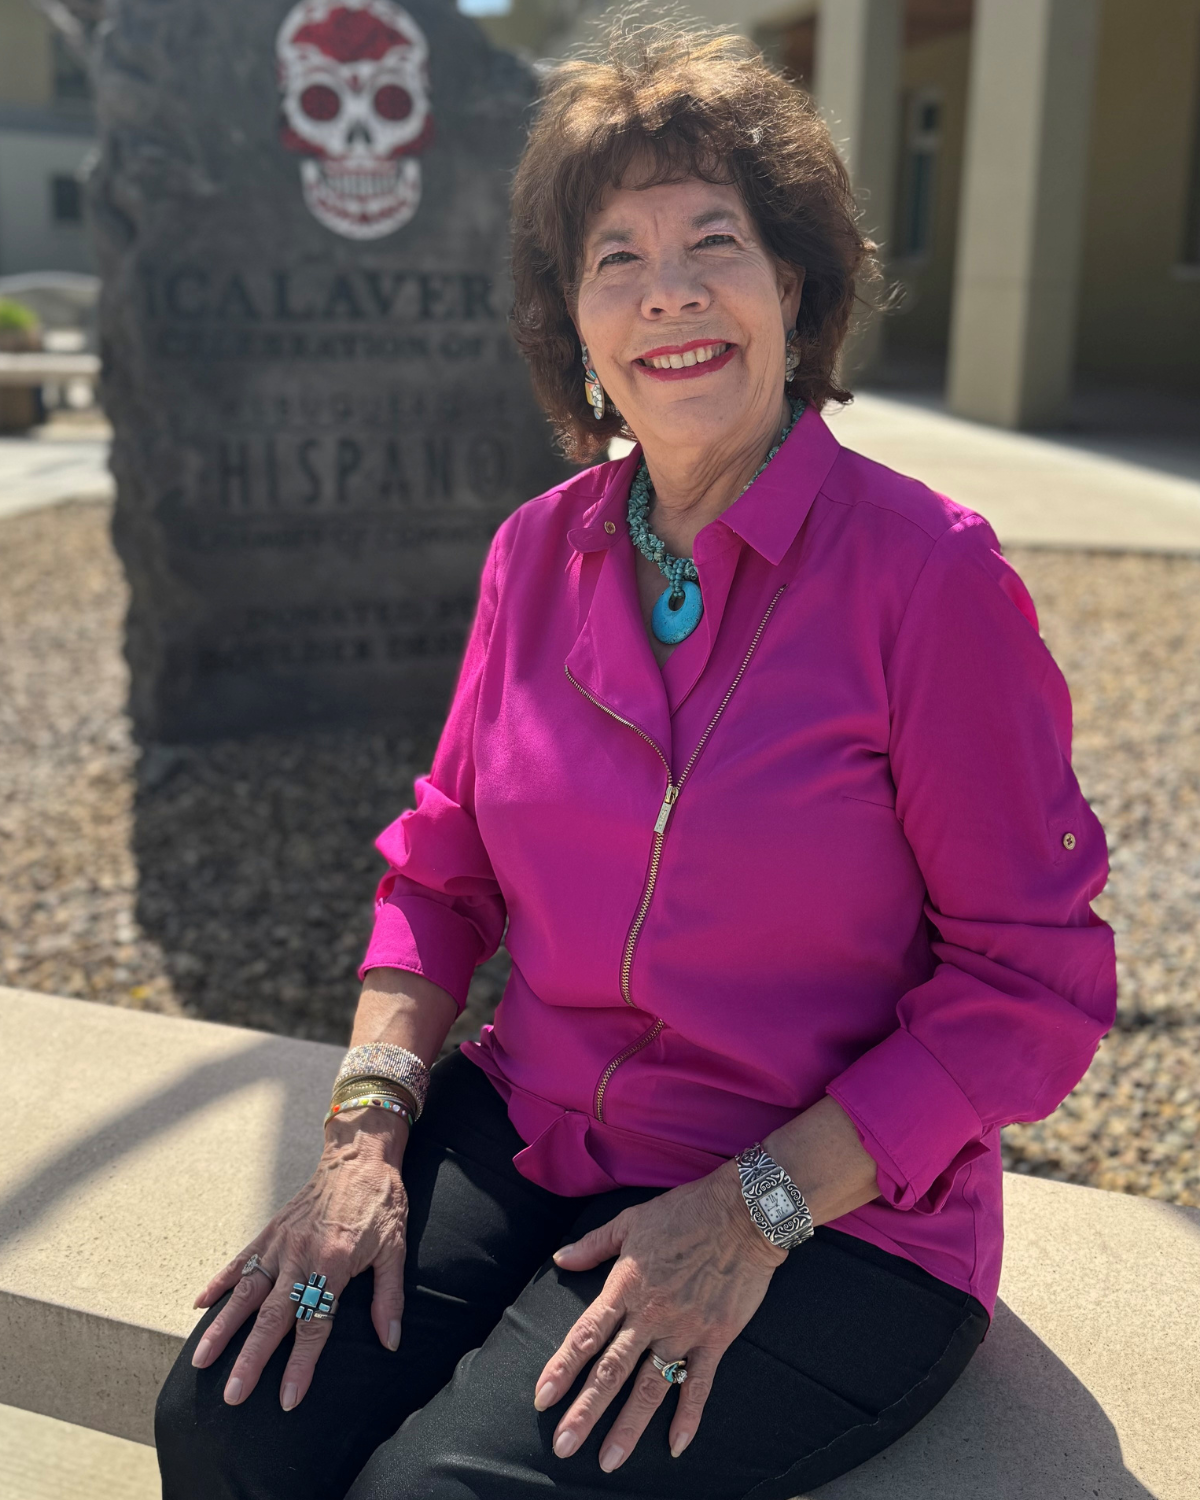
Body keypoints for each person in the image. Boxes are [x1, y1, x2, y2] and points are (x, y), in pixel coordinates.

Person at [156, 23, 1116, 1500]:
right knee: (228, 1420)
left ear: (795, 286)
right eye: (618, 256)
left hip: (834, 1208)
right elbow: (442, 869)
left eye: (713, 240)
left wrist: (748, 1210)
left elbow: (1031, 985)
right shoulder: (534, 554)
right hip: (533, 1128)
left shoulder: (928, 576)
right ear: (579, 325)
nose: (668, 289)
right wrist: (363, 1135)